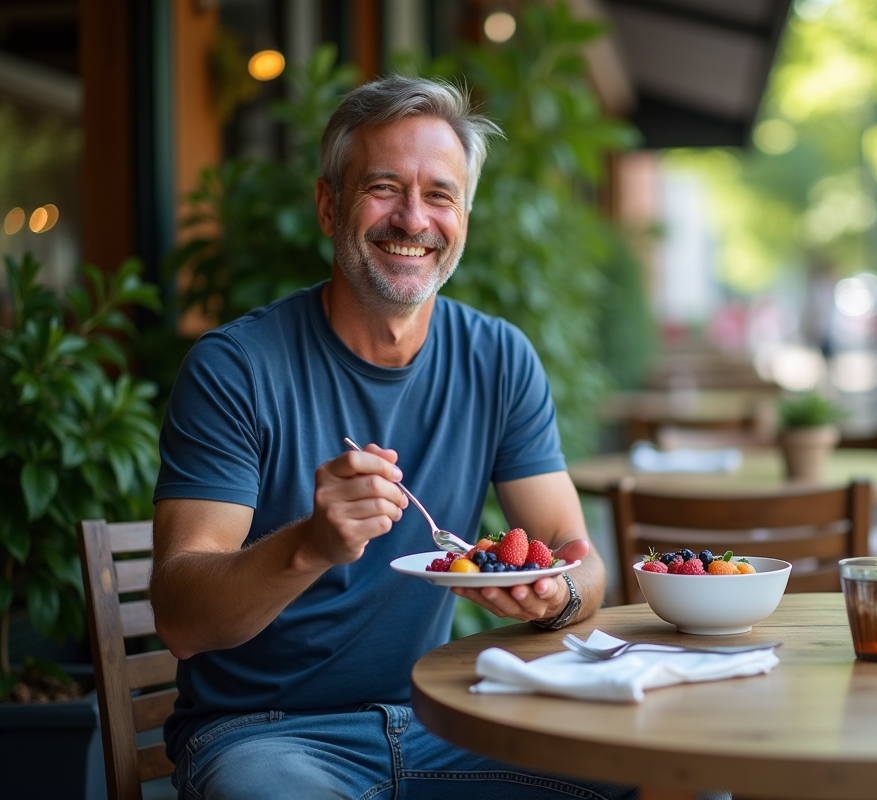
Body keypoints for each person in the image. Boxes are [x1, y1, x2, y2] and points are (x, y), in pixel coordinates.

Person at [148, 75, 635, 800]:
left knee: (642, 774)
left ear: (464, 217)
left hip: (448, 722)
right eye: (383, 187)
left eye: (440, 194)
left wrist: (554, 596)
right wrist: (310, 543)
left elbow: (579, 558)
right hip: (267, 736)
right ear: (327, 205)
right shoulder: (237, 368)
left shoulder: (498, 359)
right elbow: (182, 620)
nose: (413, 219)